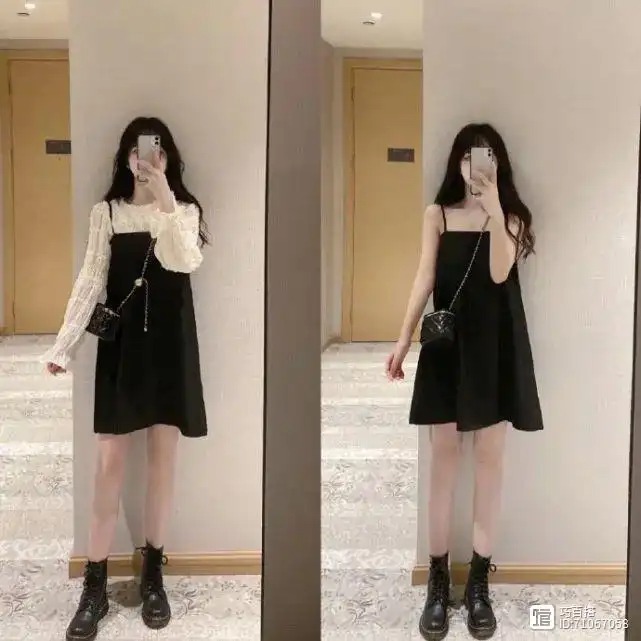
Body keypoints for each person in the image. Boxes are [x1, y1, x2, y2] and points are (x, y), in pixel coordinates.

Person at [43, 116, 209, 641]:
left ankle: (153, 573)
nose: (146, 160)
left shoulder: (184, 211)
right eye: (138, 152)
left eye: (156, 152)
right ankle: (94, 585)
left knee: (162, 463)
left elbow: (184, 260)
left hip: (169, 349)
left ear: (168, 157)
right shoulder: (107, 213)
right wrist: (64, 344)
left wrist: (163, 195)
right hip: (122, 349)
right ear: (125, 158)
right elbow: (91, 278)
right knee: (108, 465)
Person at [385, 123, 543, 640]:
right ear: (457, 162)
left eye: (488, 156)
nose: (478, 164)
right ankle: (437, 581)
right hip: (447, 348)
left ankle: (478, 583)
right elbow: (425, 276)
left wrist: (494, 207)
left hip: (493, 349)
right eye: (471, 156)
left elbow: (498, 273)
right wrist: (403, 339)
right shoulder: (438, 214)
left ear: (499, 164)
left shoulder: (511, 218)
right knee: (443, 462)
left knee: (490, 463)